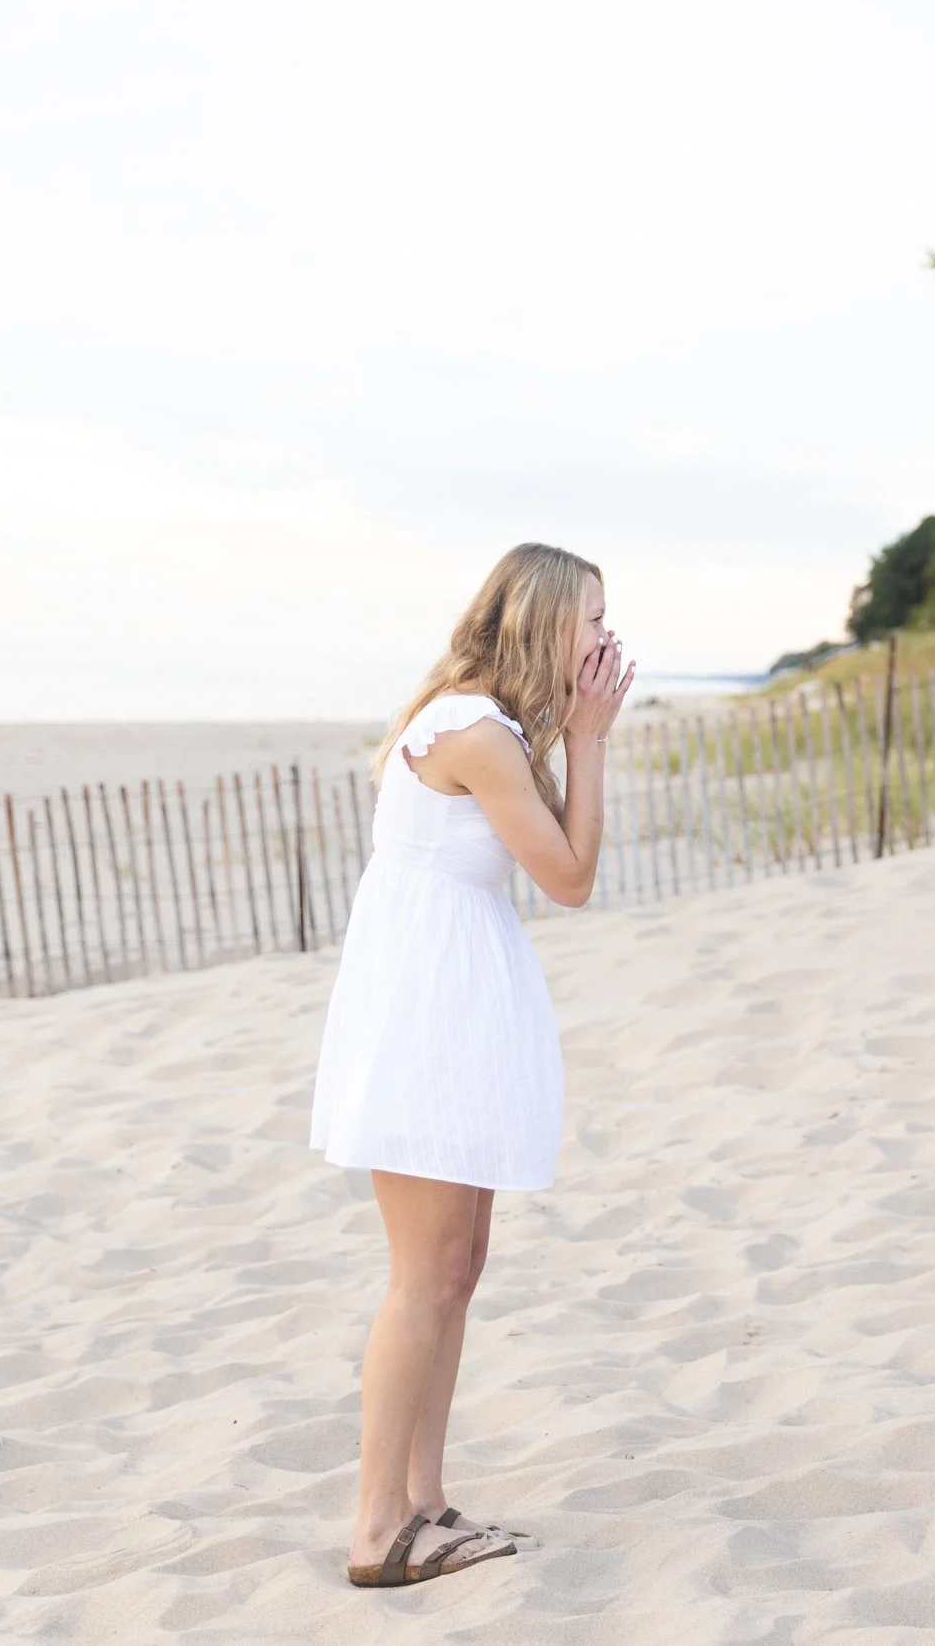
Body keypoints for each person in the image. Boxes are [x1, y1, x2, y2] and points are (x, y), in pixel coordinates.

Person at [310, 543, 633, 1586]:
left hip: (451, 1004)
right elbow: (570, 878)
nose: (606, 636)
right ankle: (375, 1527)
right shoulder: (475, 731)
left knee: (457, 1265)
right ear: (545, 620)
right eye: (593, 617)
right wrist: (590, 742)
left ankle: (423, 1501)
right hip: (426, 1017)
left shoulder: (489, 724)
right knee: (424, 1272)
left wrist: (572, 733)